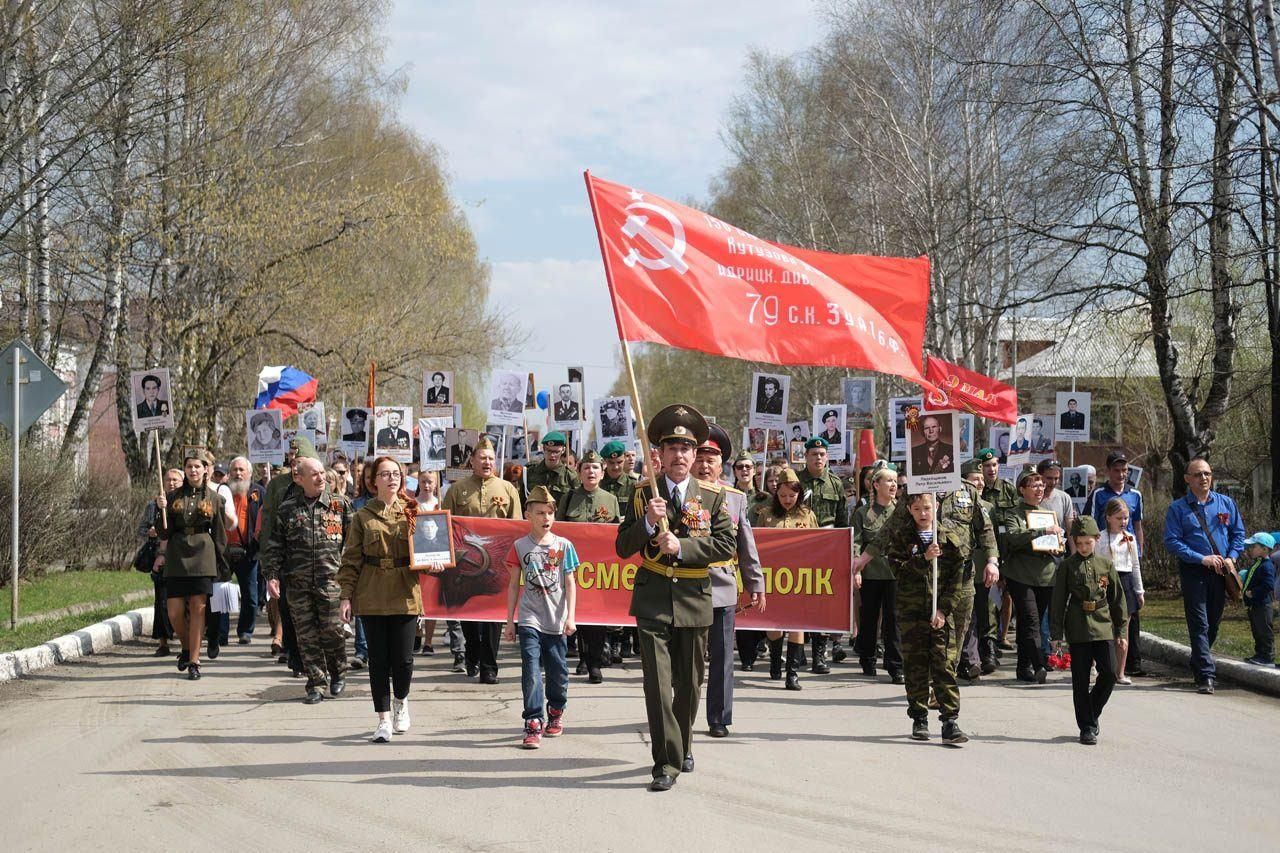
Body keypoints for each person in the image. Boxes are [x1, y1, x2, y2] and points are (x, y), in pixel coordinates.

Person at [615, 404, 735, 792]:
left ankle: (682, 743)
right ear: (660, 455)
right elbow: (622, 547)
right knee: (657, 683)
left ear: (695, 454)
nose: (680, 456)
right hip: (652, 600)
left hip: (694, 599)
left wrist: (680, 545)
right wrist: (648, 523)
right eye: (672, 448)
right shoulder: (641, 496)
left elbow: (725, 544)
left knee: (689, 685)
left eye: (687, 449)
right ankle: (665, 762)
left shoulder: (715, 497)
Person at [858, 481, 995, 745]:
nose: (923, 512)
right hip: (913, 610)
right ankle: (919, 718)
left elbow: (962, 567)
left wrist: (944, 608)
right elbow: (897, 566)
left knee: (945, 662)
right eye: (918, 508)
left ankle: (950, 721)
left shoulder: (951, 531)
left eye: (928, 508)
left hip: (945, 606)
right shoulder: (903, 537)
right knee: (916, 665)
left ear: (936, 508)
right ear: (910, 509)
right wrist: (922, 558)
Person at [338, 456, 428, 741]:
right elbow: (351, 559)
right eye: (385, 474)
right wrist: (346, 597)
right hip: (373, 592)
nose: (392, 478)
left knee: (403, 660)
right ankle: (383, 718)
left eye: (396, 473)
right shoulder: (362, 516)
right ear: (373, 480)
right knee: (378, 660)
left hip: (405, 592)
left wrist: (435, 561)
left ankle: (401, 701)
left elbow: (429, 549)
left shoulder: (414, 511)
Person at [261, 456, 352, 704]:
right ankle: (316, 683)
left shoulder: (341, 505)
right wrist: (271, 576)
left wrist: (349, 582)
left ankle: (338, 672)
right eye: (314, 474)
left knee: (332, 632)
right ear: (299, 478)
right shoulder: (287, 508)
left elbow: (352, 546)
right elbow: (274, 546)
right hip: (297, 585)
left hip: (331, 584)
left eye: (323, 473)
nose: (321, 477)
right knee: (306, 636)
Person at [693, 423, 765, 739]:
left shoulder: (735, 498)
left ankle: (719, 717)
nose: (705, 464)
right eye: (701, 457)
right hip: (687, 583)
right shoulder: (681, 493)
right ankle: (681, 713)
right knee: (688, 656)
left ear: (722, 464)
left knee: (722, 656)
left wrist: (755, 584)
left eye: (712, 458)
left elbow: (745, 543)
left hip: (722, 583)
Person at [502, 486, 579, 748]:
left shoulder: (564, 545)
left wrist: (571, 616)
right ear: (528, 515)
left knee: (558, 671)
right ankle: (533, 720)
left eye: (549, 513)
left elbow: (570, 582)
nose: (545, 518)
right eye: (539, 513)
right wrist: (510, 620)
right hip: (529, 617)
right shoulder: (519, 546)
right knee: (531, 669)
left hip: (556, 618)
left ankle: (555, 710)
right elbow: (513, 585)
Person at [442, 436, 523, 683]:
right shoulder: (457, 489)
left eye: (490, 458)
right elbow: (446, 524)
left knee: (492, 616)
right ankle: (472, 653)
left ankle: (489, 665)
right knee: (468, 612)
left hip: (497, 562)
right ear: (472, 461)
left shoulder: (508, 489)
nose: (487, 462)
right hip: (466, 562)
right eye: (482, 458)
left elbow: (517, 526)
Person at [1163, 457, 1246, 694]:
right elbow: (1172, 542)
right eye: (1198, 474)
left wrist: (1231, 557)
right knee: (1199, 622)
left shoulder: (1225, 503)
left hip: (1221, 571)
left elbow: (1238, 533)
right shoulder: (1178, 508)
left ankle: (1198, 660)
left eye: (1207, 474)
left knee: (1213, 622)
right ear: (1187, 479)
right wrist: (1202, 558)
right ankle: (1205, 676)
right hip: (1194, 571)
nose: (1204, 478)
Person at [1050, 516, 1127, 745]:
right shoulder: (1067, 566)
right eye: (1080, 543)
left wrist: (1121, 631)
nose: (1084, 548)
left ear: (1097, 539)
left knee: (1110, 672)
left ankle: (1091, 712)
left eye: (1088, 543)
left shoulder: (1106, 565)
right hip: (1078, 625)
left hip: (1102, 625)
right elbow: (1058, 602)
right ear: (1074, 541)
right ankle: (1087, 727)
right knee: (1081, 679)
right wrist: (1056, 636)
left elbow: (1117, 599)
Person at [155, 449, 228, 681]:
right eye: (189, 467)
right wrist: (161, 509)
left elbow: (219, 534)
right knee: (174, 611)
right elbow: (164, 531)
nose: (193, 470)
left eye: (197, 466)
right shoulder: (173, 496)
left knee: (198, 608)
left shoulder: (215, 498)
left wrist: (221, 561)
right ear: (185, 470)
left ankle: (194, 661)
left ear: (206, 469)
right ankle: (186, 647)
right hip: (177, 555)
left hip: (203, 555)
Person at [556, 449, 619, 682]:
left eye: (595, 468)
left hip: (601, 571)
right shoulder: (569, 497)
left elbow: (615, 535)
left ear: (602, 473)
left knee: (598, 618)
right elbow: (559, 532)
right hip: (574, 568)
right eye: (586, 468)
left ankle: (595, 663)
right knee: (577, 614)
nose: (590, 471)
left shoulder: (610, 500)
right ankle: (582, 658)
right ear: (579, 472)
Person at [996, 467, 1064, 683]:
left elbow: (1056, 543)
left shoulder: (1046, 514)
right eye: (1034, 485)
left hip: (1045, 576)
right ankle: (1039, 663)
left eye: (1041, 485)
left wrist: (1057, 544)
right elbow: (1013, 538)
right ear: (1022, 489)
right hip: (1021, 576)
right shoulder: (1013, 514)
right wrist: (1042, 532)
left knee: (1028, 624)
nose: (1039, 489)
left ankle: (1023, 667)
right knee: (1031, 619)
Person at [755, 467, 816, 689]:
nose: (787, 500)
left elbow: (819, 545)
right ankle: (775, 660)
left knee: (796, 623)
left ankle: (792, 673)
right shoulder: (765, 514)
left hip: (799, 577)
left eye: (792, 495)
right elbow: (756, 544)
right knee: (774, 622)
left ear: (799, 494)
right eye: (782, 496)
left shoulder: (807, 515)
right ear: (776, 494)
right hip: (773, 577)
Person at [798, 436, 849, 671]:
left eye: (821, 454)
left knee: (822, 599)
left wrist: (842, 548)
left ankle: (820, 654)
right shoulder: (796, 481)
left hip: (828, 545)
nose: (818, 458)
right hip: (801, 544)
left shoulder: (836, 483)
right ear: (806, 457)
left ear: (827, 456)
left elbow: (842, 519)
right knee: (800, 597)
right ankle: (798, 651)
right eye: (813, 455)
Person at [852, 466, 902, 683]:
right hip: (870, 572)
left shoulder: (902, 510)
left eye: (895, 481)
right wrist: (856, 570)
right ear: (875, 485)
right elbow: (855, 543)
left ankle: (895, 665)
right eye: (888, 481)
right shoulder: (863, 513)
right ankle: (868, 657)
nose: (893, 485)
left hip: (896, 573)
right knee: (869, 617)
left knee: (894, 619)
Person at [1096, 498, 1145, 683]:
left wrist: (1139, 591)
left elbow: (1135, 566)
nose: (1123, 522)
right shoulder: (1100, 538)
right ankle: (1098, 665)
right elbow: (1096, 565)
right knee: (1104, 628)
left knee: (1123, 630)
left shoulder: (1130, 538)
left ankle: (1120, 672)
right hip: (1106, 582)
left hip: (1125, 584)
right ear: (1108, 518)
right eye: (1119, 518)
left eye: (1126, 518)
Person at [140, 468, 184, 656]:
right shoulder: (154, 506)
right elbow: (141, 528)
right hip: (161, 559)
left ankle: (186, 641)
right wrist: (150, 531)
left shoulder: (185, 503)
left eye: (175, 480)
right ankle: (163, 641)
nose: (171, 483)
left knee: (184, 602)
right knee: (162, 601)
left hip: (183, 558)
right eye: (168, 480)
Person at [224, 456, 265, 645]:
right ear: (229, 472)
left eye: (242, 470)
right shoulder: (222, 491)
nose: (238, 473)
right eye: (234, 470)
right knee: (221, 593)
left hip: (247, 551)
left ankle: (245, 631)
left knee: (250, 595)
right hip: (223, 551)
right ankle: (221, 632)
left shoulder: (259, 492)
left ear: (249, 473)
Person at [1089, 451, 1145, 553]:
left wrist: (1139, 552)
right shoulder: (1098, 494)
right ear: (1108, 471)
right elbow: (1091, 525)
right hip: (1105, 550)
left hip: (1128, 550)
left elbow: (1138, 526)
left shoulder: (1135, 495)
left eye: (1124, 470)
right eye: (1116, 470)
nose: (1121, 474)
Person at [1240, 532, 1277, 666]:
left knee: (1264, 631)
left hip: (1262, 605)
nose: (1250, 549)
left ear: (1264, 549)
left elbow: (1268, 584)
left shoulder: (1267, 565)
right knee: (1256, 630)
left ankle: (1268, 657)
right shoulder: (1257, 564)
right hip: (1254, 605)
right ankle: (1259, 654)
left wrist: (1253, 593)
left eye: (1253, 546)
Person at [525, 431, 579, 507]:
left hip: (559, 518)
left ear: (563, 450)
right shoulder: (530, 472)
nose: (552, 455)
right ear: (543, 449)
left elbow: (575, 505)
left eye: (556, 452)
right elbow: (522, 500)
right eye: (549, 451)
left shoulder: (570, 476)